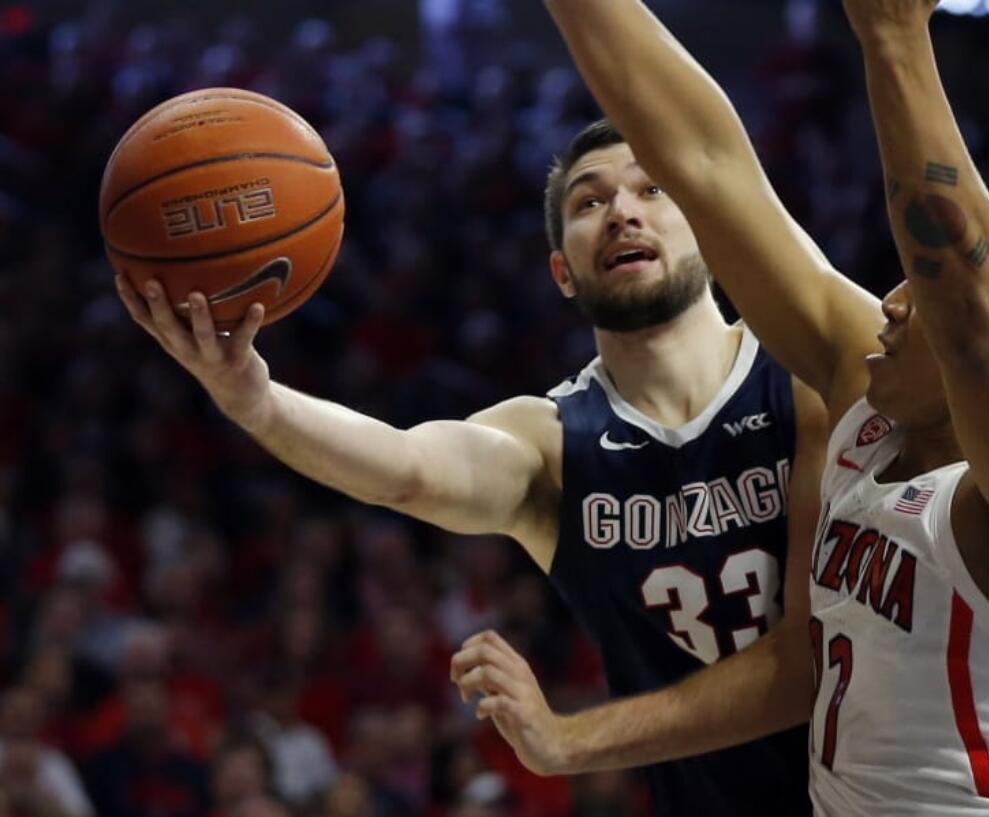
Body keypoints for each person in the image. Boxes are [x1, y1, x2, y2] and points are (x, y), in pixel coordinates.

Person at [451, 1, 989, 814]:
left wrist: (894, 39)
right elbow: (707, 165)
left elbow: (975, 317)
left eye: (917, 298)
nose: (885, 304)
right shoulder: (868, 407)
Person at [114, 119, 828, 815]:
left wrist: (567, 738)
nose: (620, 212)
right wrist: (257, 401)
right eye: (589, 200)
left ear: (706, 218)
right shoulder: (552, 442)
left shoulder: (809, 377)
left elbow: (810, 661)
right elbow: (406, 466)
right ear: (563, 272)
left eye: (652, 190)